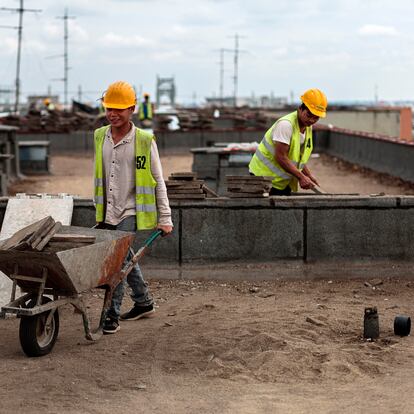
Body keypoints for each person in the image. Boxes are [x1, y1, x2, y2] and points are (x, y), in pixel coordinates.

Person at [94, 81, 173, 334]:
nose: (112, 114)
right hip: (106, 210)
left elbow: (158, 179)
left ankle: (111, 315)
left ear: (132, 109)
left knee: (117, 262)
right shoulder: (99, 136)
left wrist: (166, 217)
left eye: (119, 109)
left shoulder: (144, 141)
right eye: (109, 108)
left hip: (129, 211)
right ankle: (144, 301)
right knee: (126, 258)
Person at [249, 88, 327, 195]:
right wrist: (301, 177)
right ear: (300, 109)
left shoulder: (307, 127)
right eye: (309, 115)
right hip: (263, 179)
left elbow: (297, 158)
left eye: (316, 118)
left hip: (281, 181)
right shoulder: (286, 125)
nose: (311, 120)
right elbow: (281, 157)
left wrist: (308, 175)